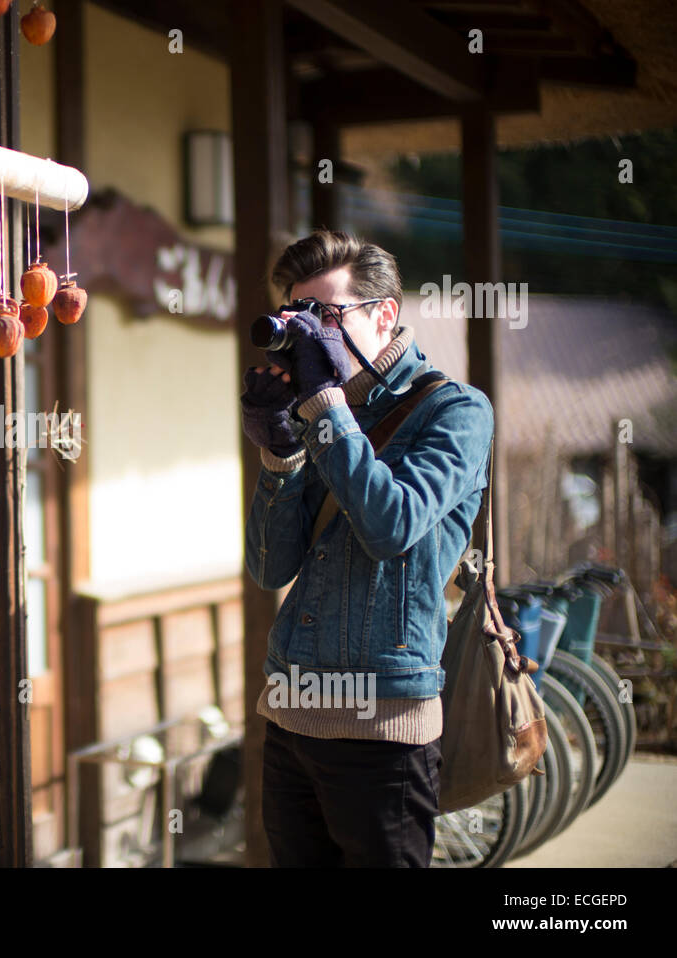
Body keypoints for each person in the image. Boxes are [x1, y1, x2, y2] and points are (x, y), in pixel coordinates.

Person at [240, 230, 494, 867]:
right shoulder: (318, 416)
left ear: (385, 314)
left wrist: (324, 407)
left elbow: (391, 523)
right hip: (292, 714)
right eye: (298, 317)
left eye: (326, 315)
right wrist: (279, 453)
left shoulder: (456, 411)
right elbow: (270, 568)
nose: (309, 334)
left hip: (383, 729)